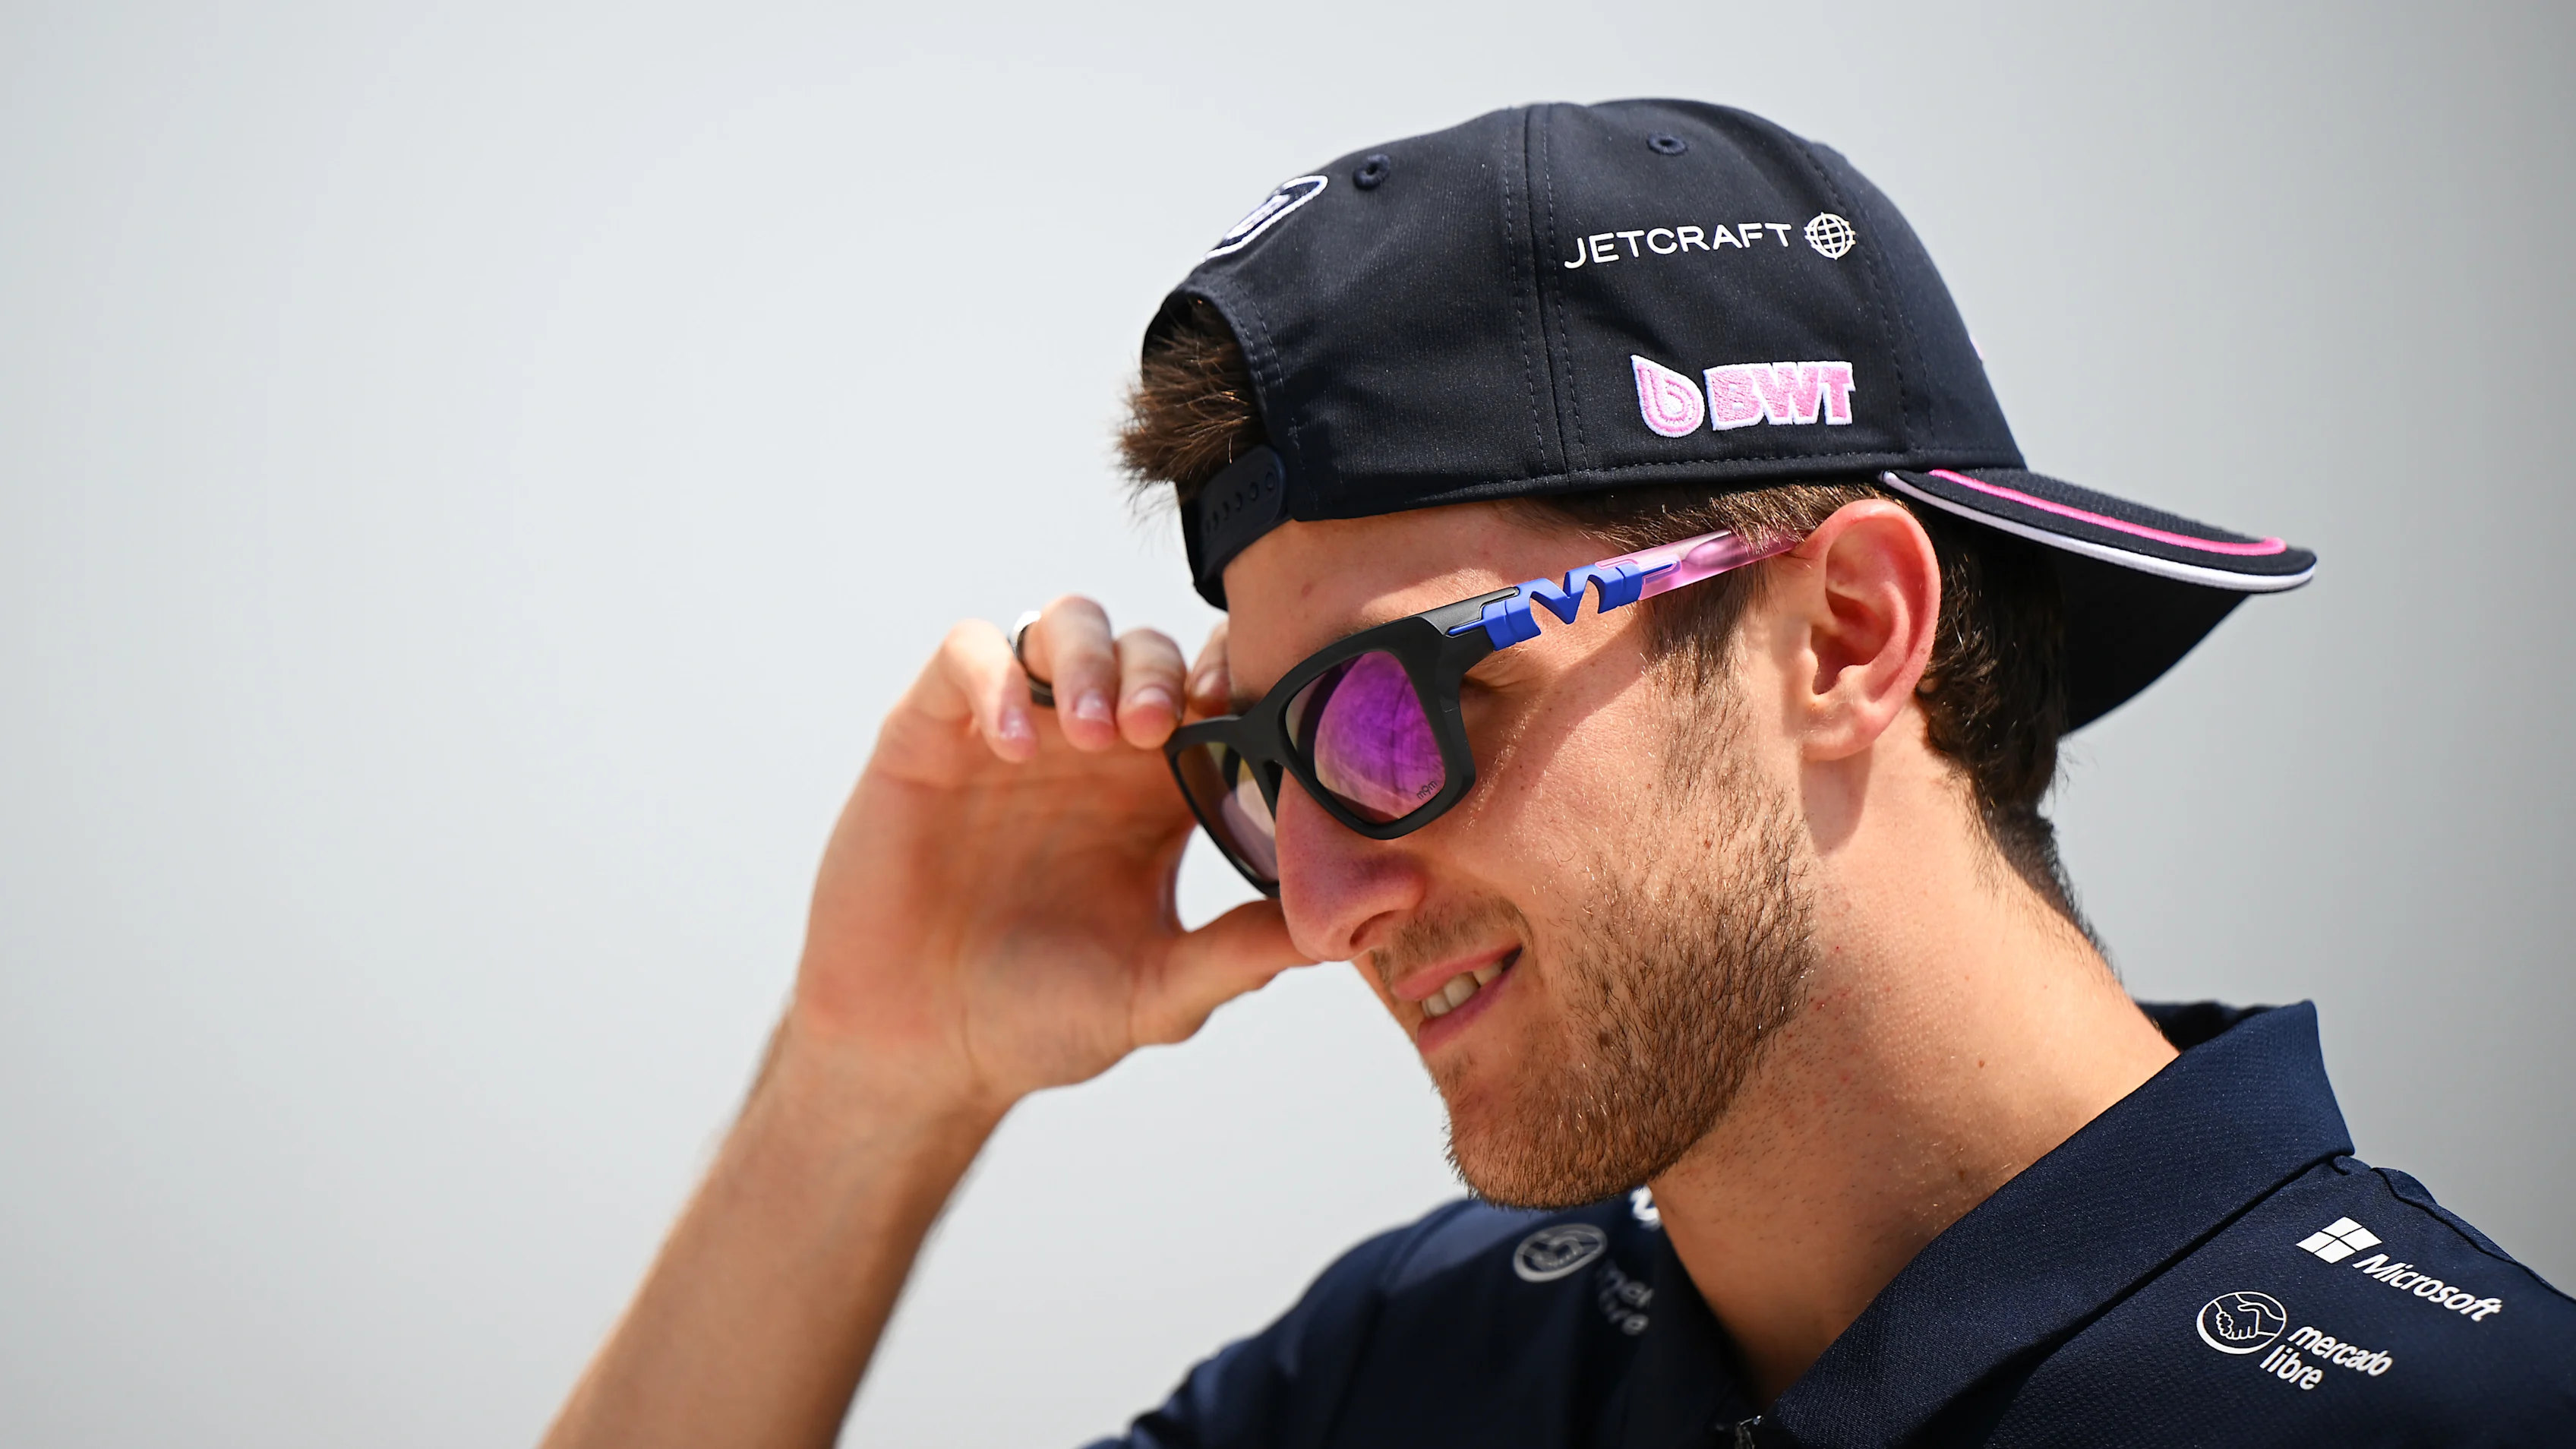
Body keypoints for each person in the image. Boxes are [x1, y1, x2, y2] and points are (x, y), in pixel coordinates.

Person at [540, 100, 2573, 1448]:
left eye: (1397, 706)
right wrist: (869, 1078)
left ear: (1842, 633)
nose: (1315, 907)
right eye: (1254, 762)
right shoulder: (1414, 1374)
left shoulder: (2452, 1418)